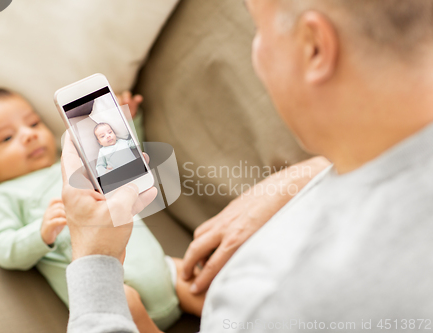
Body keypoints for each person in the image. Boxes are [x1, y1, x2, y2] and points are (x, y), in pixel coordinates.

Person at [62, 0, 433, 331]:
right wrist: (301, 179)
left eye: (259, 30)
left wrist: (95, 258)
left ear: (315, 47)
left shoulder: (270, 294)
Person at [0, 88, 203, 332]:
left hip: (164, 269)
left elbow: (121, 159)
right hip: (115, 291)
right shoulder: (4, 195)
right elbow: (3, 247)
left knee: (204, 278)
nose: (29, 134)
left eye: (33, 123)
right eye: (7, 138)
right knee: (127, 299)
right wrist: (41, 232)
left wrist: (128, 123)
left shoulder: (75, 158)